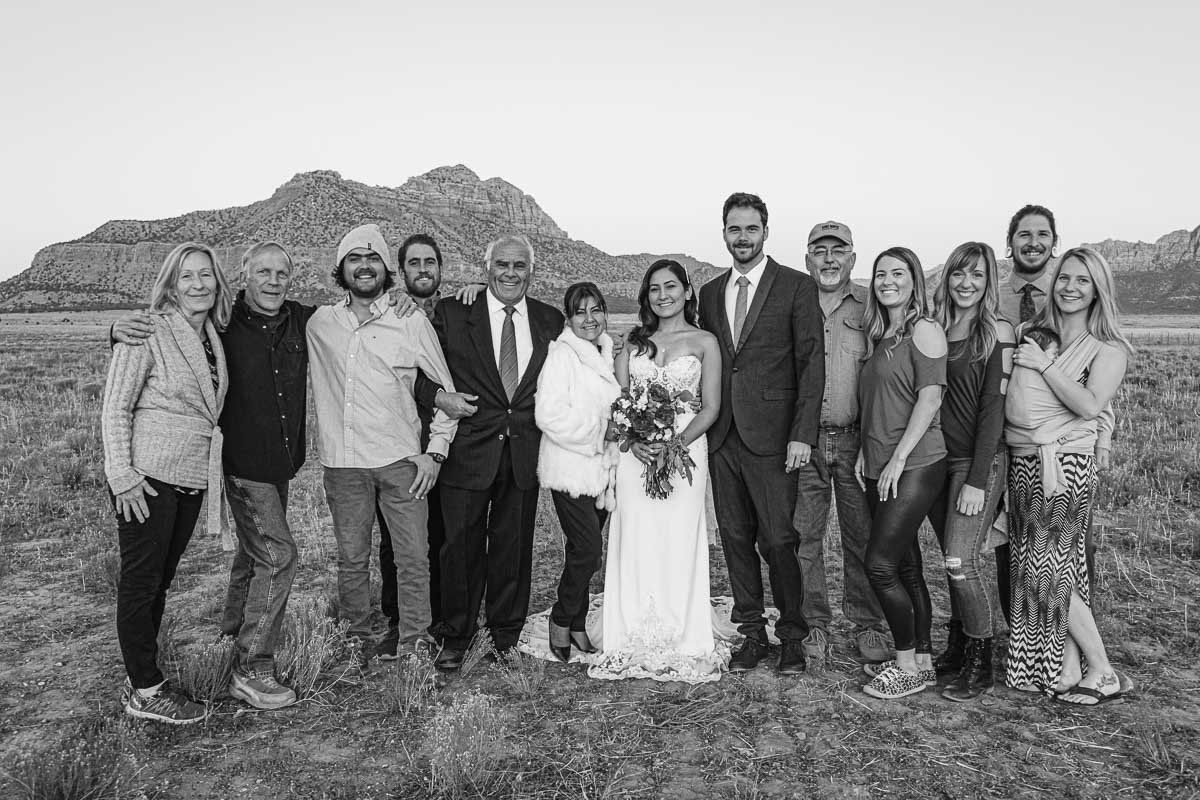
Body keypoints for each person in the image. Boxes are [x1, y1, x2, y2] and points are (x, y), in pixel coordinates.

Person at [307, 224, 458, 658]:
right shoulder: (321, 324)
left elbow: (444, 391)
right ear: (341, 269)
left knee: (413, 559)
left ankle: (414, 641)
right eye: (355, 259)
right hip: (344, 463)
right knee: (352, 560)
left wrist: (436, 452)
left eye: (373, 259)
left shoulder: (409, 322)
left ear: (387, 269)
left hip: (401, 462)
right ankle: (358, 636)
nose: (365, 266)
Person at [102, 242, 231, 723]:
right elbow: (115, 405)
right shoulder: (147, 330)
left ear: (217, 282)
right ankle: (146, 690)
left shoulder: (213, 337)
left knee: (161, 580)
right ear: (170, 285)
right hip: (147, 478)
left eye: (205, 275)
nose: (197, 285)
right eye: (186, 277)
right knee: (140, 582)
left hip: (190, 477)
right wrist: (122, 476)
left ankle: (141, 676)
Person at [697, 193, 825, 675]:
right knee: (734, 536)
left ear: (766, 232)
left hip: (775, 438)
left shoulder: (795, 286)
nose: (743, 237)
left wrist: (802, 434)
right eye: (735, 229)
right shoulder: (710, 293)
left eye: (751, 229)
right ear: (724, 233)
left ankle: (792, 634)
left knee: (778, 539)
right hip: (723, 434)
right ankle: (751, 633)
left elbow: (812, 363)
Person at [1005, 248, 1134, 704]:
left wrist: (1044, 365)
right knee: (1055, 569)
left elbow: (1091, 405)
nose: (1070, 288)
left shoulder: (1108, 349)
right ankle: (1067, 668)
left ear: (1098, 288)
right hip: (1023, 462)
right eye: (1064, 278)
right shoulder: (1035, 334)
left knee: (1048, 573)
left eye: (1082, 280)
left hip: (1064, 466)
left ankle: (1103, 670)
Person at [430, 235, 564, 670]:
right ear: (486, 268)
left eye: (519, 266)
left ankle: (505, 634)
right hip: (468, 451)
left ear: (531, 271)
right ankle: (456, 634)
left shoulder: (549, 320)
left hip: (524, 453)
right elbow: (415, 370)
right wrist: (437, 397)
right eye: (502, 265)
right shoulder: (453, 312)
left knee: (514, 546)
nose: (510, 273)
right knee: (460, 547)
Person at [589, 260, 726, 682]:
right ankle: (629, 628)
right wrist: (636, 442)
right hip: (639, 457)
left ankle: (683, 631)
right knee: (637, 532)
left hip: (685, 454)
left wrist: (674, 445)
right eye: (653, 289)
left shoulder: (705, 342)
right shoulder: (633, 343)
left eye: (670, 287)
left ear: (687, 291)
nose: (662, 295)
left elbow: (711, 407)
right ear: (646, 297)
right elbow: (621, 401)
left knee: (679, 533)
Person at [994, 206, 1114, 622]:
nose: (1033, 242)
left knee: (1070, 547)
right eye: (1023, 234)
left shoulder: (1070, 294)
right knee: (1013, 541)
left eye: (1042, 234)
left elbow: (1097, 384)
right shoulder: (993, 296)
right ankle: (1023, 633)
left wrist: (1102, 438)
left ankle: (1078, 645)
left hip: (1065, 445)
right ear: (1009, 242)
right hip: (1008, 439)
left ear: (1053, 242)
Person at [373, 234, 479, 660]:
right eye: (413, 263)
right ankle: (399, 621)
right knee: (396, 539)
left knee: (446, 533)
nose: (422, 269)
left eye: (430, 262)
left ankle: (442, 617)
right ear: (401, 272)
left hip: (452, 441)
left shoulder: (458, 310)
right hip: (401, 441)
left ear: (441, 269)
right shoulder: (391, 314)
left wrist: (482, 289)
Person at [794, 221, 889, 665]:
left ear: (852, 257)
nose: (829, 259)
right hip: (805, 442)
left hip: (855, 441)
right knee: (804, 537)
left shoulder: (871, 306)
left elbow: (885, 376)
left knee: (861, 538)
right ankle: (814, 624)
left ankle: (868, 625)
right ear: (807, 258)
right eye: (820, 250)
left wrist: (874, 442)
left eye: (839, 250)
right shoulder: (793, 304)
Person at [855, 246, 948, 699]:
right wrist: (867, 455)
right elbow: (880, 403)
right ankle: (925, 662)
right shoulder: (884, 333)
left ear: (915, 280)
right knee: (908, 566)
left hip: (916, 463)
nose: (887, 281)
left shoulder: (923, 329)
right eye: (879, 274)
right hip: (878, 464)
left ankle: (906, 663)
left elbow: (930, 400)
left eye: (898, 273)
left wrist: (895, 459)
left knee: (879, 565)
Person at [928, 242, 1015, 701]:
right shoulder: (938, 327)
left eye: (977, 275)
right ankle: (957, 647)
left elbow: (992, 409)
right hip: (938, 461)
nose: (966, 283)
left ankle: (982, 664)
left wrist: (979, 480)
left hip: (977, 462)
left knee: (962, 560)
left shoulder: (995, 331)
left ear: (988, 282)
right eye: (959, 274)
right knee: (948, 557)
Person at [530, 282, 621, 662]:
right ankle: (561, 616)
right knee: (588, 552)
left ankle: (579, 624)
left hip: (599, 473)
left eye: (595, 309)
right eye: (580, 311)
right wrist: (599, 431)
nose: (589, 318)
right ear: (568, 318)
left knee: (578, 550)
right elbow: (547, 415)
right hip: (569, 468)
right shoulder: (562, 355)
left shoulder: (606, 350)